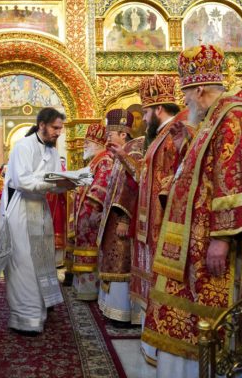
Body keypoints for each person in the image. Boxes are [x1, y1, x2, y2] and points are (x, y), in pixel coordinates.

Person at [141, 44, 242, 377]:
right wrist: (186, 145)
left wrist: (222, 238)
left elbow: (236, 176)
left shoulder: (236, 115)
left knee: (211, 310)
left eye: (186, 93)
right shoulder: (214, 116)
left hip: (213, 239)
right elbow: (203, 170)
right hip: (193, 237)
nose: (185, 101)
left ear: (199, 89)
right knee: (184, 310)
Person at [0, 107, 75, 334]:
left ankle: (41, 308)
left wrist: (68, 183)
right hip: (20, 209)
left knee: (42, 259)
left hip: (40, 208)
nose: (58, 132)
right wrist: (54, 183)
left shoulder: (52, 151)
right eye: (55, 128)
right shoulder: (23, 147)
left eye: (60, 128)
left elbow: (53, 181)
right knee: (24, 262)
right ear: (42, 125)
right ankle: (25, 318)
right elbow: (22, 182)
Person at [128, 75, 186, 365]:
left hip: (163, 222)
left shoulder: (175, 132)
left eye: (146, 112)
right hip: (151, 220)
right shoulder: (160, 136)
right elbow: (147, 175)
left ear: (158, 109)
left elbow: (175, 176)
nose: (144, 118)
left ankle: (158, 343)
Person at [96, 109, 144, 326]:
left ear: (123, 134)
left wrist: (125, 218)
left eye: (111, 134)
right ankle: (112, 308)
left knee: (121, 262)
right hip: (113, 217)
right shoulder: (121, 151)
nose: (107, 138)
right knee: (113, 259)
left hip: (122, 218)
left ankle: (122, 312)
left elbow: (133, 187)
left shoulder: (133, 152)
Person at [70, 122, 114, 300]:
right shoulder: (95, 161)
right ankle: (81, 289)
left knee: (90, 251)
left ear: (98, 144)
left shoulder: (105, 161)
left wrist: (92, 208)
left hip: (92, 215)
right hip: (85, 214)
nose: (84, 145)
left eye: (88, 142)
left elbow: (101, 187)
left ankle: (90, 291)